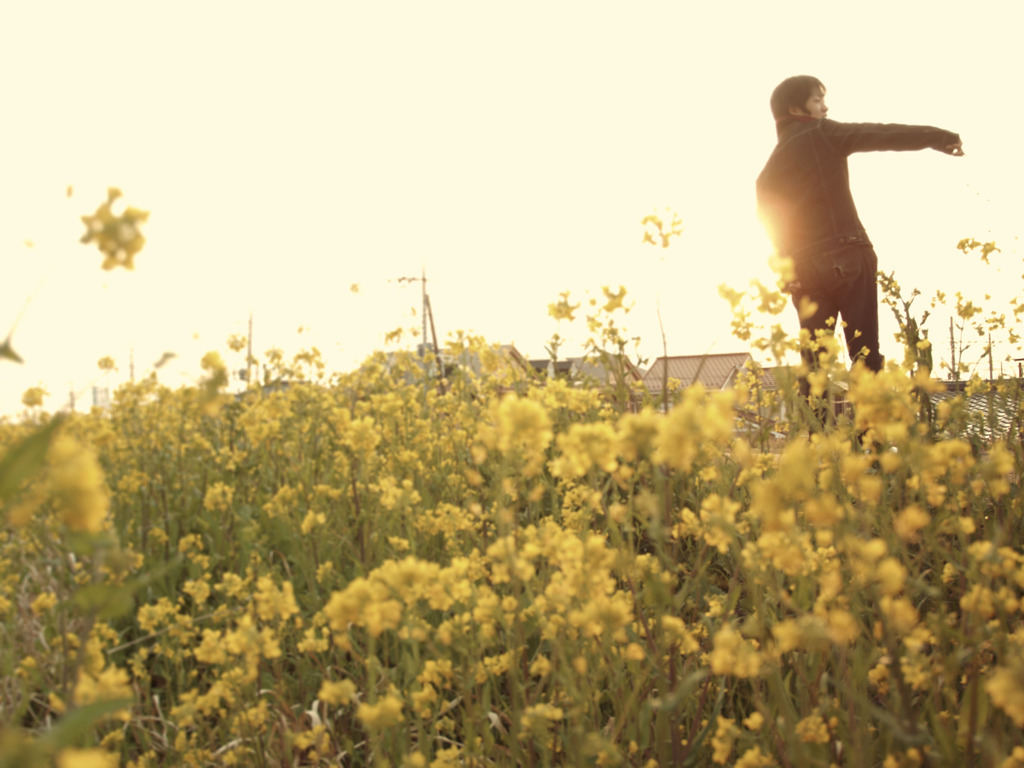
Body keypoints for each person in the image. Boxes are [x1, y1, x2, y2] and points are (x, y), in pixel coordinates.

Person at [756, 75, 962, 425]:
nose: (826, 107)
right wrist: (939, 137)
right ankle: (871, 443)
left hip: (804, 270)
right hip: (848, 255)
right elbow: (882, 133)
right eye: (818, 101)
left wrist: (784, 269)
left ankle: (818, 445)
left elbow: (770, 216)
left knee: (814, 362)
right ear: (796, 109)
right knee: (865, 353)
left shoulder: (769, 169)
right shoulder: (824, 133)